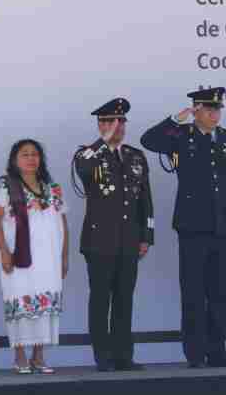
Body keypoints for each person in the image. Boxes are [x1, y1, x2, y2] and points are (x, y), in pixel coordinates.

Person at [141, 87, 226, 368]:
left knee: (221, 293)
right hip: (193, 225)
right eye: (208, 109)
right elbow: (149, 140)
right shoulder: (182, 136)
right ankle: (195, 353)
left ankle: (217, 350)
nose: (214, 114)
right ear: (196, 110)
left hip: (223, 226)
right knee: (195, 293)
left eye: (217, 109)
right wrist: (178, 118)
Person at [73, 98, 153, 372]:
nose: (116, 127)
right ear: (100, 125)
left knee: (124, 299)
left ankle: (123, 355)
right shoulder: (89, 154)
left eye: (120, 122)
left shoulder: (135, 156)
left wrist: (146, 236)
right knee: (100, 300)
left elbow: (146, 199)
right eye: (109, 122)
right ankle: (103, 357)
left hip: (129, 240)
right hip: (99, 241)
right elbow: (82, 171)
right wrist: (101, 141)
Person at [0, 139, 69, 374]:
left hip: (49, 258)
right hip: (19, 257)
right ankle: (20, 355)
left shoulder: (52, 187)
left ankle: (39, 355)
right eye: (25, 154)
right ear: (15, 159)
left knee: (45, 303)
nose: (31, 158)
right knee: (21, 299)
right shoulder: (5, 185)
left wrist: (64, 256)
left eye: (35, 154)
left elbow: (63, 222)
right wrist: (4, 251)